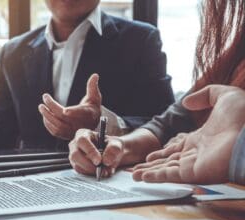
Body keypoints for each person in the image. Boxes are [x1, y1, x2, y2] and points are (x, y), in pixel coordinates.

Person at [0, 0, 174, 158]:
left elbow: (166, 123)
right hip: (29, 193)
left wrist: (103, 122)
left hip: (110, 186)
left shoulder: (140, 41)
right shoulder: (12, 53)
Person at [68, 0, 245, 184]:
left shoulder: (139, 37)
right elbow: (168, 125)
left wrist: (239, 151)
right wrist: (118, 146)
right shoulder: (237, 54)